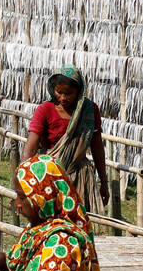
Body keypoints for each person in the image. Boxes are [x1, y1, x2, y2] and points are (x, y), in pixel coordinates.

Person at [24, 66, 109, 212]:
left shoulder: (88, 110)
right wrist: (25, 185)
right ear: (53, 89)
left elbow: (97, 147)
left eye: (69, 93)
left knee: (78, 223)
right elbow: (30, 150)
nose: (63, 98)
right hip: (50, 175)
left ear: (79, 91)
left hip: (80, 176)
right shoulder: (45, 110)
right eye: (59, 92)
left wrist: (104, 182)